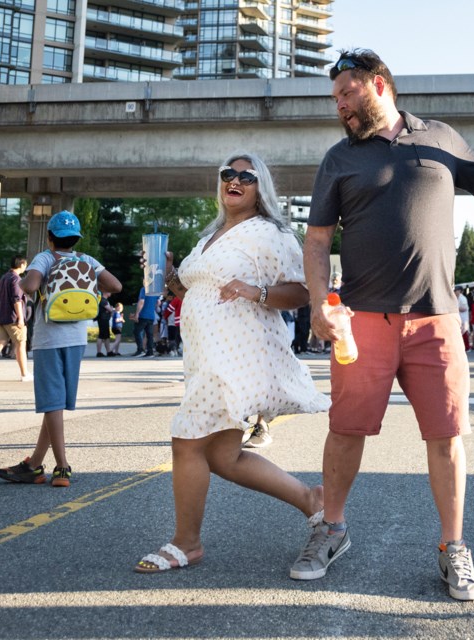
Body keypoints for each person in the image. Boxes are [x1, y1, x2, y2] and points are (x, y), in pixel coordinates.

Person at [299, 49, 474, 601]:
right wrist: (322, 303)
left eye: (347, 94)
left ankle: (454, 549)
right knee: (345, 430)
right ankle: (332, 529)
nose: (341, 106)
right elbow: (318, 240)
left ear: (378, 85)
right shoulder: (339, 158)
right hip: (362, 321)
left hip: (436, 318)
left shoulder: (438, 138)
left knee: (446, 438)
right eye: (336, 99)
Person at [134, 153, 329, 573]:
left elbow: (301, 292)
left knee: (186, 440)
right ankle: (310, 499)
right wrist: (167, 273)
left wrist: (254, 291)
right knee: (224, 457)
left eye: (246, 176)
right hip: (203, 356)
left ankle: (186, 542)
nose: (234, 181)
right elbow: (189, 292)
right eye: (228, 174)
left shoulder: (270, 234)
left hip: (233, 355)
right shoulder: (210, 236)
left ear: (262, 188)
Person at [0, 211, 121, 487]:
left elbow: (29, 285)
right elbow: (115, 285)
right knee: (55, 403)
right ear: (76, 239)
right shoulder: (86, 260)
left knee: (52, 402)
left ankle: (62, 466)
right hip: (76, 338)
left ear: (50, 238)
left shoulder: (44, 257)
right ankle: (33, 464)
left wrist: (27, 282)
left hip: (49, 338)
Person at [0, 257, 31, 383]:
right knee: (20, 345)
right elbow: (16, 300)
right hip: (13, 318)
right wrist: (20, 318)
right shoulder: (16, 279)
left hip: (2, 318)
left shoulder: (4, 277)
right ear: (22, 265)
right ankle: (25, 374)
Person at [132, 286, 160, 357]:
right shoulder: (155, 291)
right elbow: (158, 302)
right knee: (149, 334)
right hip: (151, 315)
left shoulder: (144, 289)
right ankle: (150, 352)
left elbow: (141, 301)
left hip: (143, 314)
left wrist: (137, 313)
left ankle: (140, 350)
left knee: (137, 331)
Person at [96, 291, 114, 357]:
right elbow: (110, 309)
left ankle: (108, 351)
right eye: (109, 291)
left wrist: (110, 310)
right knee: (102, 335)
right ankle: (99, 352)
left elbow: (109, 310)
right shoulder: (103, 300)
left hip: (104, 319)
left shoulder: (104, 300)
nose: (110, 293)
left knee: (106, 336)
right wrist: (111, 309)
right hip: (103, 319)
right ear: (105, 292)